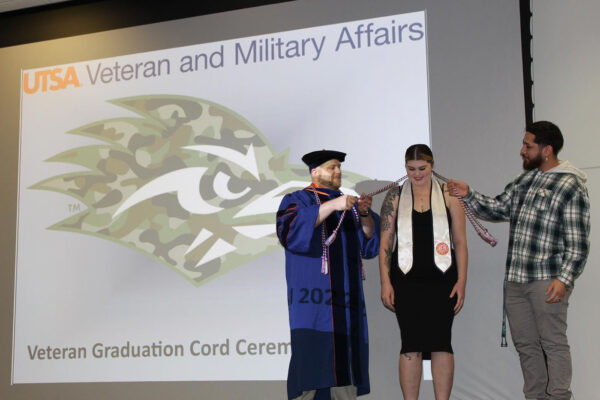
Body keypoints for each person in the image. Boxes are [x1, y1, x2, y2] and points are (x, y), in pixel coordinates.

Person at [448, 121, 590, 400]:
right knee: (526, 345)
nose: (522, 150)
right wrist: (468, 193)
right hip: (515, 281)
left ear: (547, 150)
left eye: (528, 145)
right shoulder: (524, 180)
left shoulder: (570, 184)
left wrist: (564, 279)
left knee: (553, 343)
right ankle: (534, 396)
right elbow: (498, 207)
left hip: (547, 280)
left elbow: (578, 241)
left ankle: (559, 396)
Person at [276, 150, 380, 400]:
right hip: (312, 303)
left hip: (346, 303)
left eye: (339, 167)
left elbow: (369, 244)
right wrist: (333, 204)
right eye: (332, 167)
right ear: (315, 172)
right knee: (311, 362)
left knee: (344, 369)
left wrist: (365, 214)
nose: (338, 172)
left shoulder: (349, 205)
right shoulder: (298, 200)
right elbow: (289, 231)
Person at [378, 144, 468, 400]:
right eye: (411, 169)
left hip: (443, 279)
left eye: (422, 168)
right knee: (411, 345)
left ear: (432, 165)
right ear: (405, 167)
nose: (416, 174)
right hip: (405, 281)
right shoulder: (394, 196)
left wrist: (462, 281)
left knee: (442, 344)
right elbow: (385, 243)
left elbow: (460, 241)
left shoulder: (449, 194)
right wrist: (385, 282)